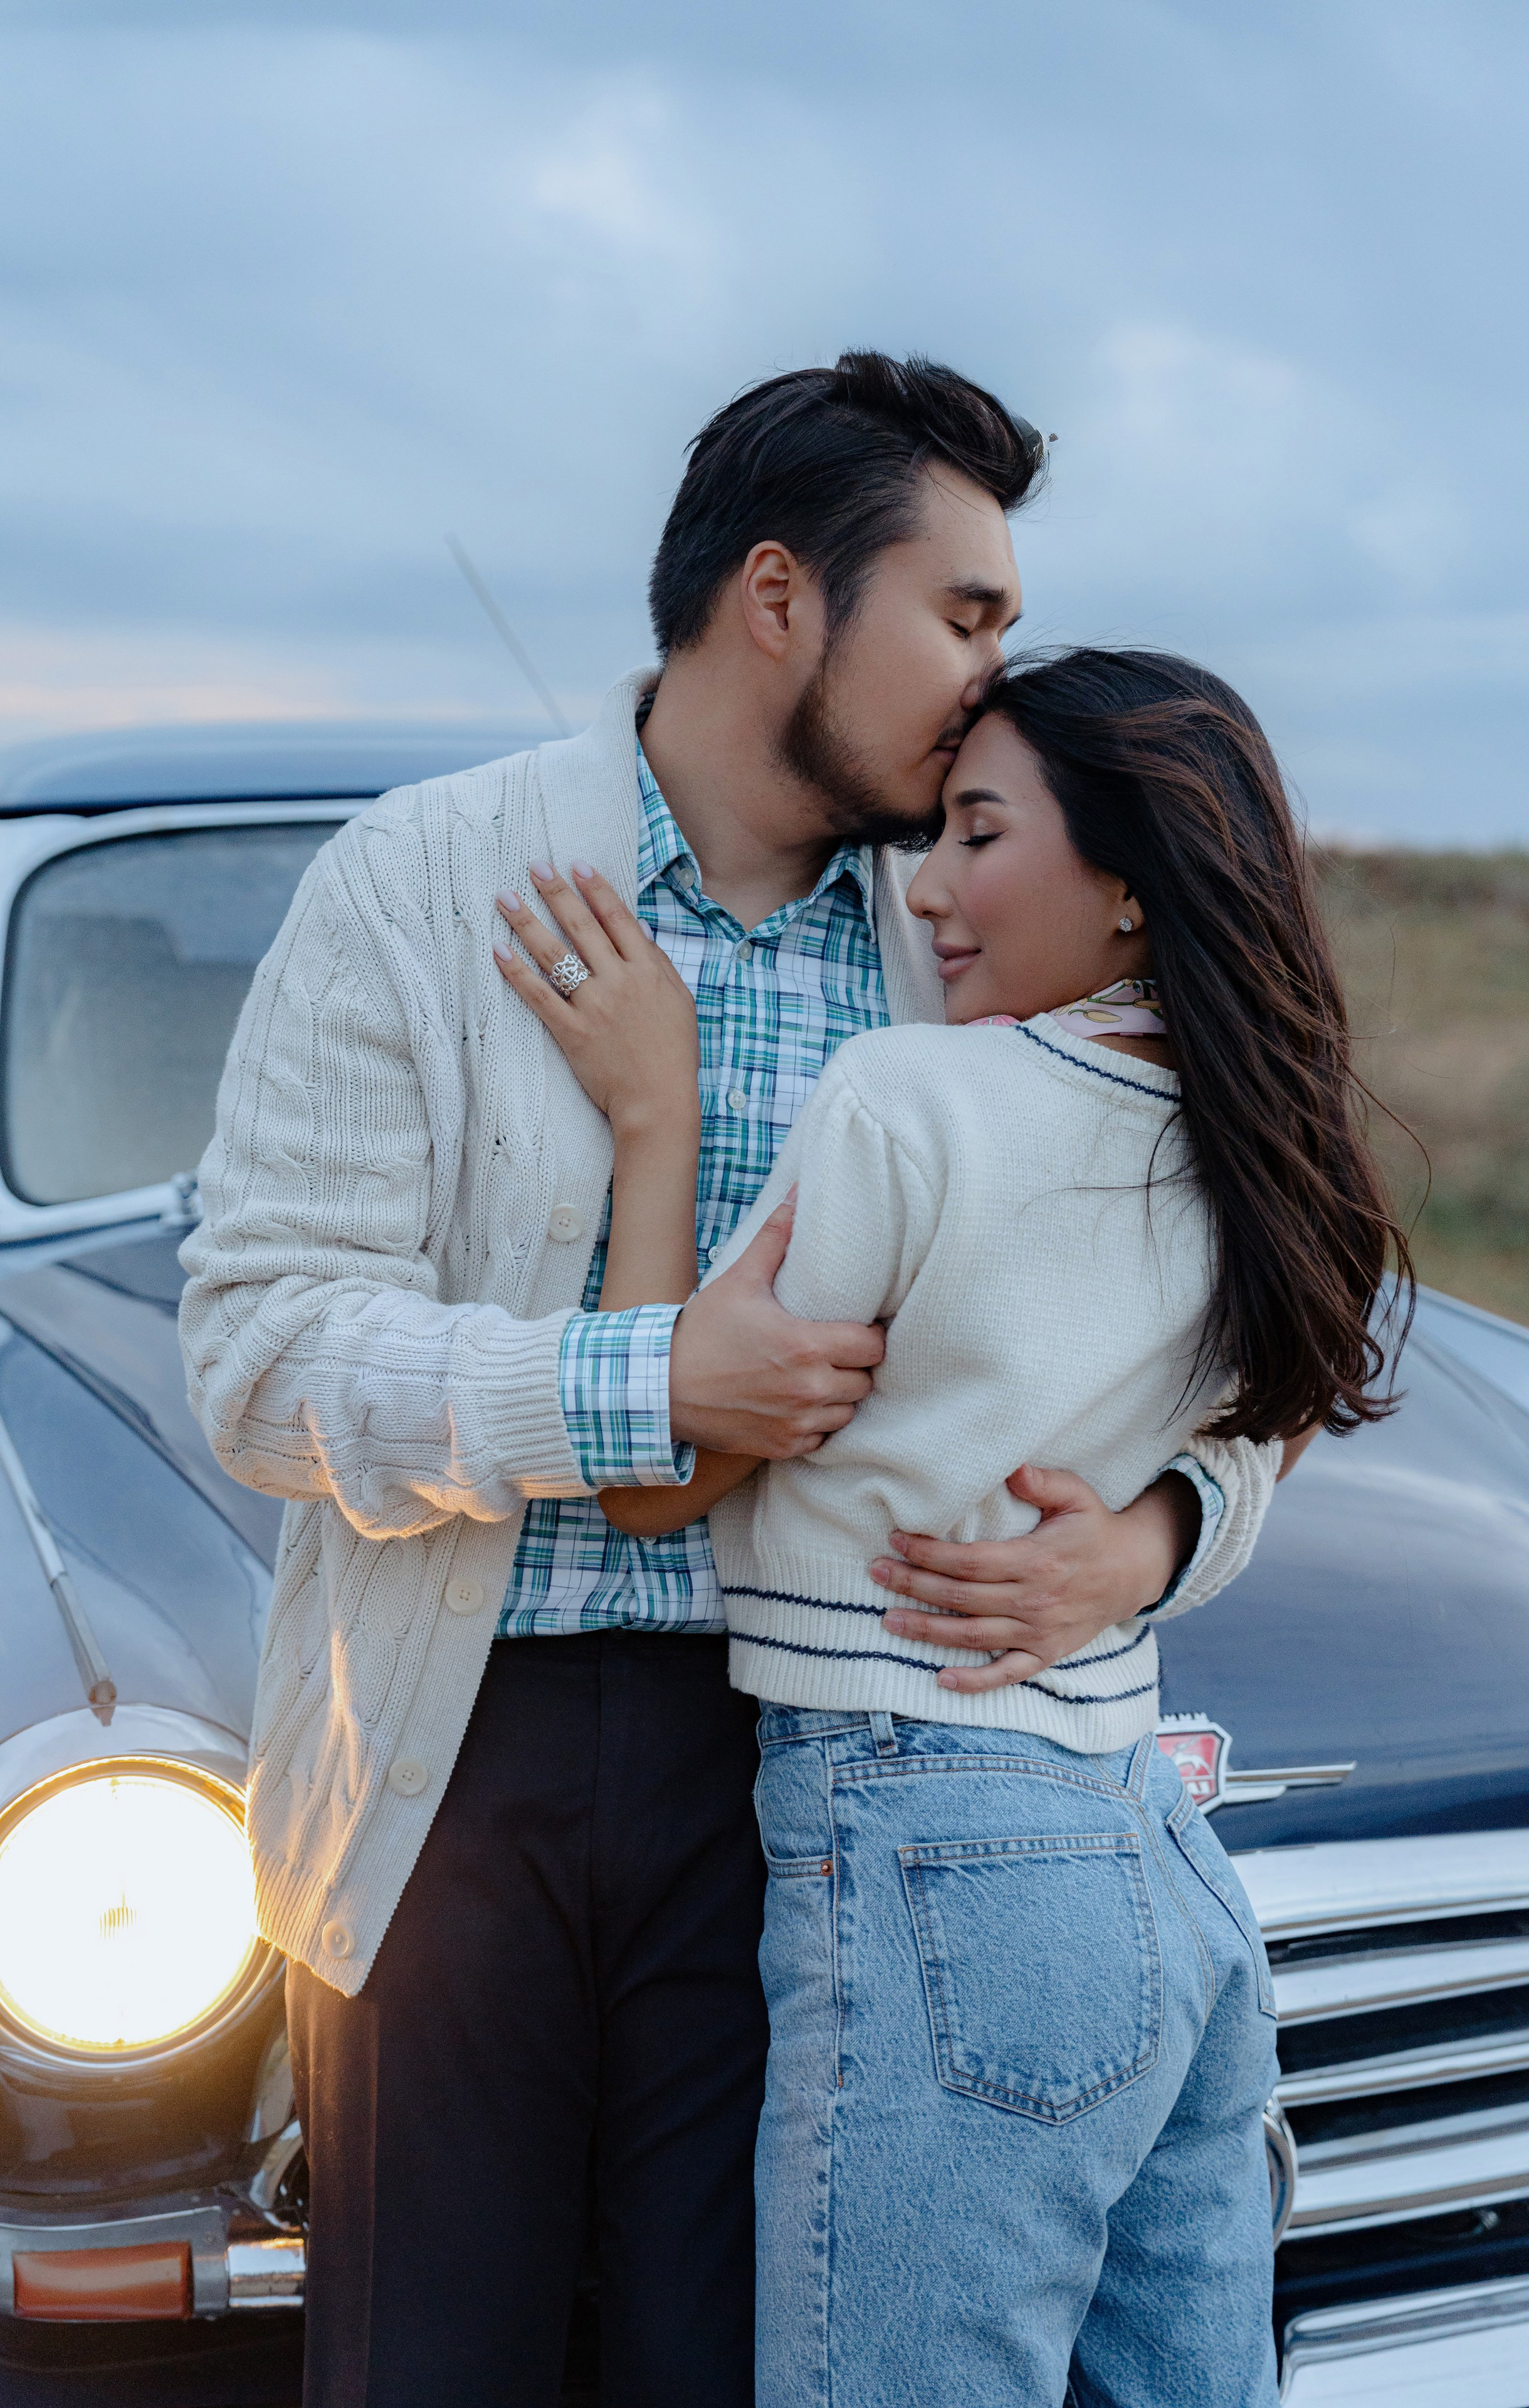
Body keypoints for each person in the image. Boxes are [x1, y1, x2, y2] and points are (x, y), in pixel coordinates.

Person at [179, 355, 1281, 2407]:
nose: (988, 679)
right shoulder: (420, 883)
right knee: (436, 2370)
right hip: (455, 1756)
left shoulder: (969, 926)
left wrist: (1148, 1538)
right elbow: (261, 1358)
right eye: (962, 617)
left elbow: (1218, 1340)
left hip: (821, 1783)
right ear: (782, 595)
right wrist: (647, 1380)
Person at [498, 645, 1407, 2407]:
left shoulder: (913, 1097)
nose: (927, 887)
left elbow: (657, 1475)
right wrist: (1149, 1541)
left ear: (1131, 879)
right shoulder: (1268, 1152)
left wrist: (655, 1113)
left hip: (924, 1851)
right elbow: (1267, 1433)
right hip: (1160, 1859)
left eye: (978, 834)